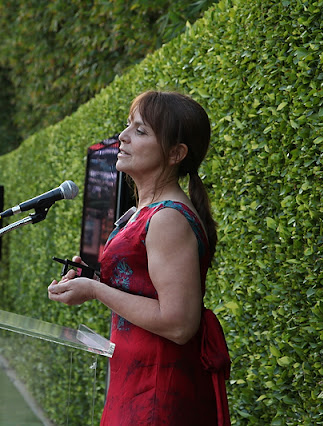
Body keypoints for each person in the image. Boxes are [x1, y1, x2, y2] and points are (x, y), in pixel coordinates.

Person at [48, 91, 230, 425]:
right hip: (135, 382)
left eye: (140, 130)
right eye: (128, 125)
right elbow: (142, 287)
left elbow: (178, 323)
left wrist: (96, 290)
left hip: (157, 393)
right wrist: (92, 279)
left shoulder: (167, 218)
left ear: (175, 153)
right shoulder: (146, 212)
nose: (123, 136)